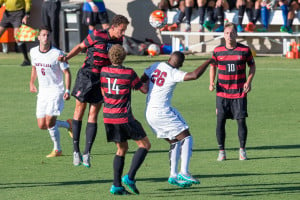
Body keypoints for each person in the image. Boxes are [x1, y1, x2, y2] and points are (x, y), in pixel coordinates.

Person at [58, 15, 129, 168]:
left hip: (102, 79)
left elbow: (116, 62)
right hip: (86, 75)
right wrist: (67, 57)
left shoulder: (118, 41)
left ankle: (86, 153)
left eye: (124, 31)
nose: (123, 33)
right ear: (114, 26)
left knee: (93, 114)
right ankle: (75, 151)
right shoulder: (97, 35)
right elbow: (80, 47)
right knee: (79, 110)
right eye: (122, 30)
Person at [142, 51, 214, 187]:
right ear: (180, 64)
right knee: (186, 137)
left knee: (175, 141)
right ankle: (184, 172)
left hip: (149, 113)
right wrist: (209, 61)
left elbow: (142, 80)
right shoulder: (173, 73)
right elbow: (194, 75)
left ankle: (173, 175)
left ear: (169, 58)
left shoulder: (156, 65)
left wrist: (145, 89)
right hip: (162, 112)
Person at [100, 44, 151, 195]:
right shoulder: (129, 73)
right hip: (123, 116)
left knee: (121, 149)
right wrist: (147, 76)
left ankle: (116, 186)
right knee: (145, 145)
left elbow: (103, 91)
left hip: (108, 116)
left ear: (110, 56)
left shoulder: (104, 71)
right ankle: (129, 177)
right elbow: (144, 89)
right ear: (124, 56)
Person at [209, 22, 256, 161]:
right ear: (223, 35)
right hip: (222, 93)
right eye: (227, 33)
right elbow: (213, 66)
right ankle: (221, 151)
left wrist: (249, 81)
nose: (229, 36)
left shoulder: (245, 50)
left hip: (239, 92)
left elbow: (252, 66)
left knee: (241, 121)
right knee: (220, 122)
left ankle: (242, 150)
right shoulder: (217, 51)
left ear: (236, 34)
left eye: (232, 33)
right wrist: (211, 82)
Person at [29, 27, 73, 158]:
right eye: (43, 35)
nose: (46, 38)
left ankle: (57, 149)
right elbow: (34, 68)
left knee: (49, 122)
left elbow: (67, 72)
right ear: (38, 37)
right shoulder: (33, 52)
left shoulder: (57, 54)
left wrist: (67, 90)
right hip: (43, 92)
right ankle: (68, 124)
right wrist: (31, 83)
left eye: (48, 35)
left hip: (56, 91)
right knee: (42, 125)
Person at [0, 0, 31, 66]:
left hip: (19, 13)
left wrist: (27, 14)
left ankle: (26, 60)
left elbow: (28, 2)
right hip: (7, 14)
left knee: (17, 38)